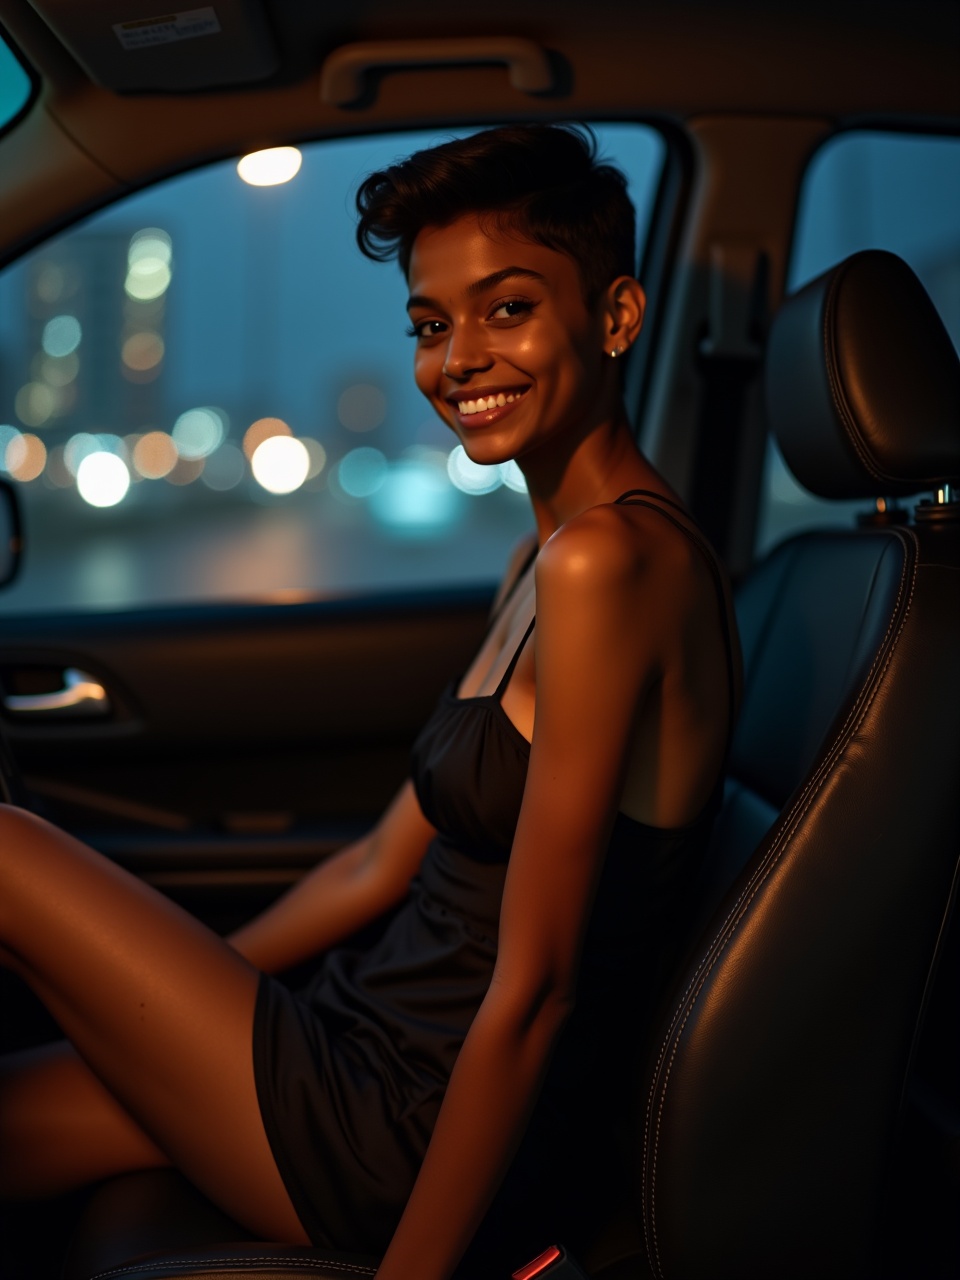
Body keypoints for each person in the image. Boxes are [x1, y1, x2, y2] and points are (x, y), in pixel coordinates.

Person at [0, 125, 740, 1279]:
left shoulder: (616, 570)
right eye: (431, 325)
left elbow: (538, 988)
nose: (459, 359)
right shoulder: (544, 562)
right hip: (350, 1034)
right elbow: (376, 863)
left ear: (617, 316)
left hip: (403, 1119)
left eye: (507, 309)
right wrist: (175, 1002)